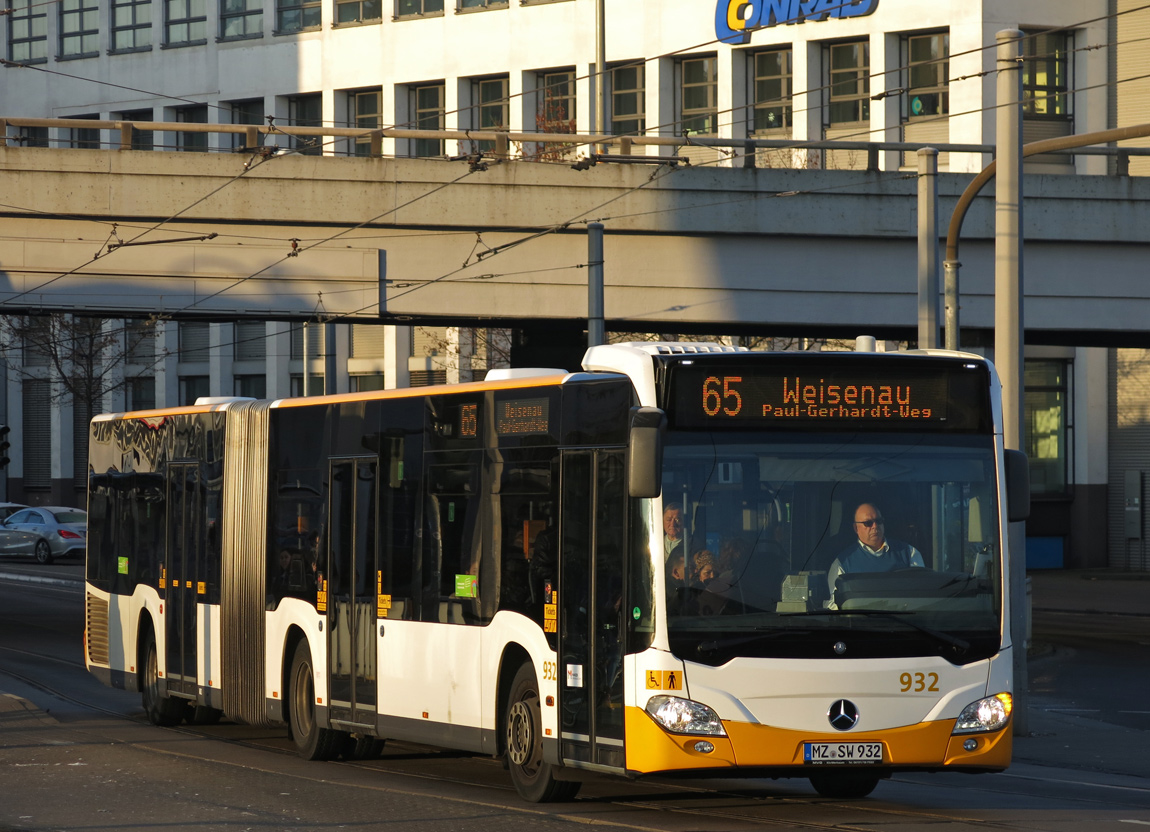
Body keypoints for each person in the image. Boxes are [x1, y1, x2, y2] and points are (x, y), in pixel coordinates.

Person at [827, 502, 925, 602]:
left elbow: (920, 594)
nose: (875, 526)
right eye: (868, 523)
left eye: (879, 521)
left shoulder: (909, 553)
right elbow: (835, 604)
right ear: (856, 528)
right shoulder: (842, 563)